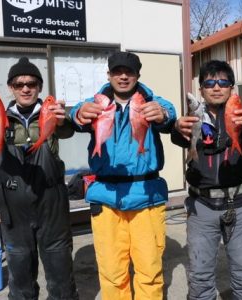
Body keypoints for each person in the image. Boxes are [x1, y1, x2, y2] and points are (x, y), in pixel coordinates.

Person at [70, 51, 176, 300]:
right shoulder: (97, 103)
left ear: (138, 75)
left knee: (149, 271)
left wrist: (164, 115)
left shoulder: (151, 101)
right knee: (111, 273)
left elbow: (168, 114)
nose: (123, 76)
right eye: (117, 71)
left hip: (146, 196)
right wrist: (77, 113)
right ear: (109, 75)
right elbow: (74, 115)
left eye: (129, 72)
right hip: (106, 198)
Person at [0, 57, 78, 299]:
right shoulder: (0, 115)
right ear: (11, 88)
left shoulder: (51, 111)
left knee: (60, 269)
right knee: (19, 273)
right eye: (19, 84)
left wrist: (62, 120)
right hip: (13, 203)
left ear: (39, 87)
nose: (26, 88)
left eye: (31, 83)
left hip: (51, 200)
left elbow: (66, 129)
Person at [171, 60, 242, 299]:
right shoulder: (194, 117)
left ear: (231, 88)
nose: (216, 87)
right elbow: (177, 136)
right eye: (209, 83)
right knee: (200, 278)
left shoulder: (241, 114)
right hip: (202, 206)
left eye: (223, 82)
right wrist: (176, 126)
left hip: (240, 204)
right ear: (201, 89)